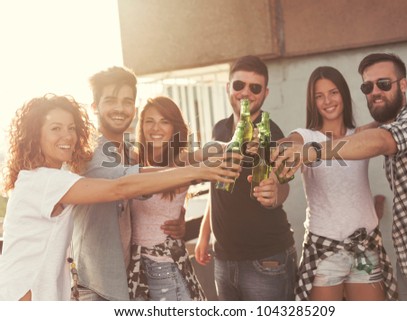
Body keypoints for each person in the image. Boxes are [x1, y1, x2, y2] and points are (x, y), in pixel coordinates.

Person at [0, 94, 240, 301]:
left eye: (71, 128)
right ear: (35, 134)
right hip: (26, 297)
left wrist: (201, 165)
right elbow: (119, 187)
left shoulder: (51, 175)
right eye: (55, 128)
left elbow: (136, 174)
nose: (68, 136)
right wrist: (199, 171)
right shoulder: (46, 181)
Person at [273, 53, 407, 301]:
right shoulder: (307, 136)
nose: (376, 91)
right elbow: (286, 145)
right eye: (368, 86)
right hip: (345, 253)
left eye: (384, 83)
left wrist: (310, 152)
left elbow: (375, 140)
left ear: (403, 84)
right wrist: (270, 153)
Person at [70, 66, 187, 301]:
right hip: (94, 287)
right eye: (111, 100)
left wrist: (180, 215)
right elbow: (128, 182)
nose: (120, 109)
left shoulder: (127, 151)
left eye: (127, 102)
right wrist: (195, 171)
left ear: (134, 108)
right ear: (94, 106)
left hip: (124, 281)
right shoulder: (89, 151)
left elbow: (147, 191)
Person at [287, 66, 397, 301]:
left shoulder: (360, 136)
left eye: (333, 92)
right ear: (312, 102)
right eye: (319, 96)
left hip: (365, 247)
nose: (327, 100)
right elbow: (286, 144)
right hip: (325, 252)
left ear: (344, 95)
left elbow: (393, 117)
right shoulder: (306, 137)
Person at [195, 55, 297, 301]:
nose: (246, 93)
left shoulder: (272, 133)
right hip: (224, 258)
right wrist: (204, 234)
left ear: (265, 93)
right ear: (228, 87)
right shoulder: (219, 129)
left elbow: (282, 188)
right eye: (239, 85)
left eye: (255, 87)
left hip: (266, 260)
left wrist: (274, 195)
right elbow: (217, 186)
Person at [127, 96, 206, 301]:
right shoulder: (131, 160)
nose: (156, 128)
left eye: (164, 121)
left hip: (164, 265)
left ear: (174, 128)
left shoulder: (182, 160)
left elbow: (212, 150)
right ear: (141, 125)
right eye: (149, 121)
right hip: (136, 267)